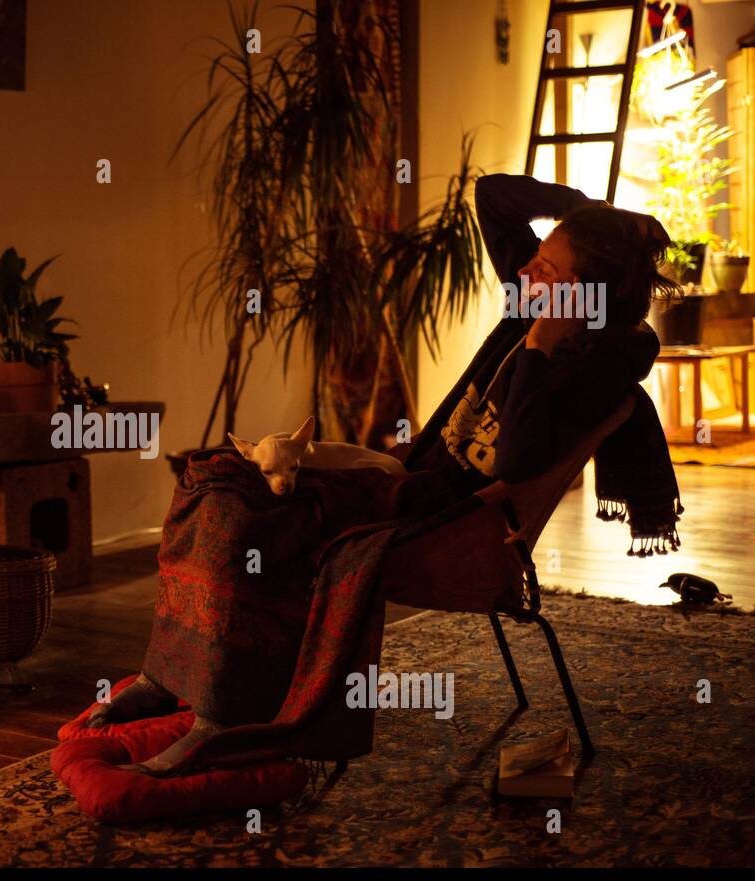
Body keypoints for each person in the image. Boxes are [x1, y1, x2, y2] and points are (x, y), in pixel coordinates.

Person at [90, 174, 683, 775]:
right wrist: (583, 211)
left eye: (548, 269)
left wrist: (538, 346)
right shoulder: (528, 303)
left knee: (240, 515)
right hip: (402, 479)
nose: (528, 272)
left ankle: (221, 719)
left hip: (436, 519)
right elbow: (494, 195)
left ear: (583, 295)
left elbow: (516, 462)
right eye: (534, 258)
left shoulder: (591, 367)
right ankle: (167, 675)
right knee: (213, 479)